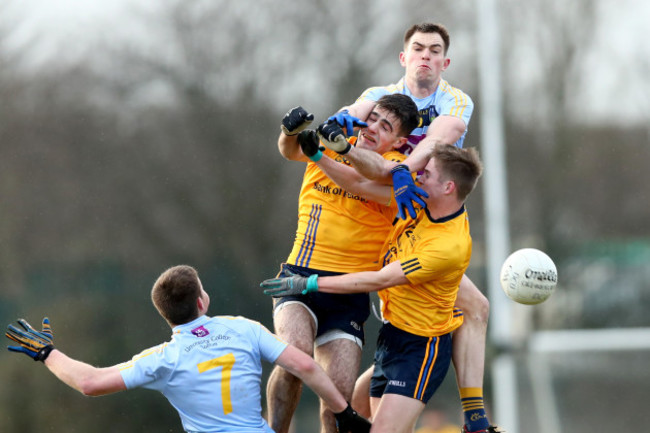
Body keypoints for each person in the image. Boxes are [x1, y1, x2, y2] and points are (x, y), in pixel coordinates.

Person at [321, 23, 497, 433]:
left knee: (475, 307)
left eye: (435, 51)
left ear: (445, 62)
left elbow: (441, 138)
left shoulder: (455, 100)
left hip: (416, 210)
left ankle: (474, 415)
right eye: (418, 48)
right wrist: (338, 132)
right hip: (378, 209)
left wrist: (402, 172)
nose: (426, 56)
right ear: (403, 58)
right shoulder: (379, 97)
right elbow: (347, 119)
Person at [261, 144, 492, 433]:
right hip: (391, 338)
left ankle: (475, 417)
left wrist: (310, 283)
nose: (416, 176)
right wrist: (320, 155)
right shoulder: (420, 200)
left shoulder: (447, 246)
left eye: (426, 174)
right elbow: (357, 183)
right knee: (353, 408)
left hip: (420, 350)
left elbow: (379, 279)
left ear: (448, 187)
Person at [5, 265, 371, 433]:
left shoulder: (164, 358)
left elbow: (90, 383)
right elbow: (305, 366)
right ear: (201, 302)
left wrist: (48, 354)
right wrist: (343, 413)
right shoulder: (243, 329)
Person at [266, 95, 420, 433]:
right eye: (373, 118)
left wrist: (340, 150)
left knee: (337, 402)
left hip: (348, 296)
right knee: (295, 358)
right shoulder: (335, 140)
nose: (372, 129)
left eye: (385, 127)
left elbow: (374, 171)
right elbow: (291, 150)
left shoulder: (398, 170)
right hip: (299, 279)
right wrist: (288, 131)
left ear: (400, 141)